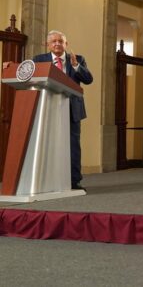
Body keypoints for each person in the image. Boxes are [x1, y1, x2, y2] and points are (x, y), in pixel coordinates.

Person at [32, 30, 94, 191]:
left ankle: (74, 181)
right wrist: (9, 65)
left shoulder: (78, 59)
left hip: (72, 108)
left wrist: (75, 66)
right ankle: (45, 180)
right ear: (47, 45)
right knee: (47, 143)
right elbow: (28, 75)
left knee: (73, 145)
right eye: (54, 41)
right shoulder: (39, 60)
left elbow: (88, 80)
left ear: (66, 44)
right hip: (47, 107)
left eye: (61, 41)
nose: (57, 44)